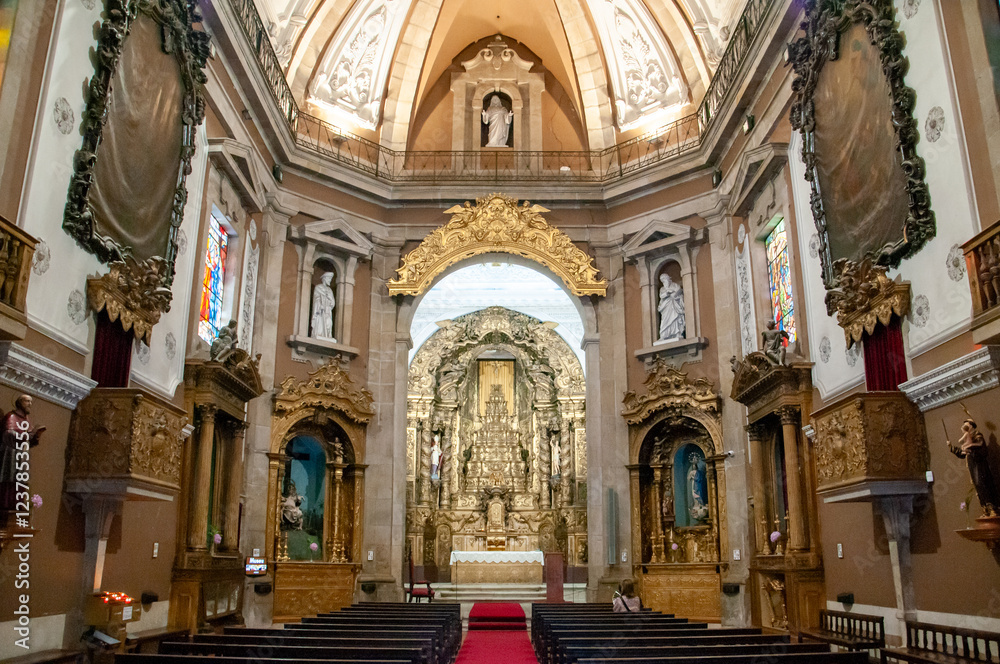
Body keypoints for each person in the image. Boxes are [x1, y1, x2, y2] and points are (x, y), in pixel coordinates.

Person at [0, 395, 45, 514]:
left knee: (21, 479)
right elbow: (8, 433)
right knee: (10, 477)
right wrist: (26, 436)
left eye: (31, 402)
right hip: (11, 452)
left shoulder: (26, 420)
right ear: (19, 403)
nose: (29, 404)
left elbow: (28, 439)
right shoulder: (11, 416)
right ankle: (6, 503)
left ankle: (18, 502)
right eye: (27, 401)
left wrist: (35, 437)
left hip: (22, 452)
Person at [947, 417, 998, 516]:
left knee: (983, 483)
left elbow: (979, 444)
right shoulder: (967, 437)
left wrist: (968, 447)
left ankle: (991, 507)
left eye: (967, 424)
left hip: (979, 464)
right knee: (977, 486)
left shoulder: (977, 435)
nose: (965, 426)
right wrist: (951, 447)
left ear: (971, 425)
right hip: (972, 465)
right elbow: (963, 453)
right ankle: (985, 508)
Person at [657, 273, 685, 342]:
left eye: (664, 280)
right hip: (666, 307)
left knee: (675, 318)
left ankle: (677, 333)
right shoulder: (662, 289)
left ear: (668, 279)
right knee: (665, 320)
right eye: (662, 281)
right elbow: (661, 296)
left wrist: (674, 294)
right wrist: (667, 293)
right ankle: (664, 335)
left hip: (674, 305)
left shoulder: (675, 285)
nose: (664, 282)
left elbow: (679, 290)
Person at [311, 271, 336, 340]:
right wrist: (320, 303)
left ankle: (328, 335)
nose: (330, 281)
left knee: (329, 323)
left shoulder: (330, 290)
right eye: (328, 279)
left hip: (327, 310)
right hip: (320, 310)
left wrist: (329, 302)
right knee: (320, 323)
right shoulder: (318, 287)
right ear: (324, 279)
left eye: (330, 279)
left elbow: (332, 302)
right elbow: (316, 298)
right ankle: (319, 333)